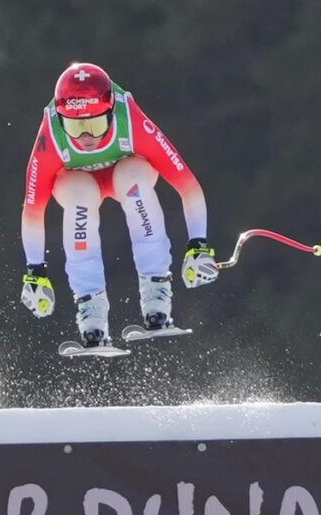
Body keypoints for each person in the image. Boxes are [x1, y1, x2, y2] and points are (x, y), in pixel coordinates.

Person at [18, 62, 219, 348]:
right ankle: (91, 316)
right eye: (75, 126)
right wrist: (35, 273)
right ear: (61, 119)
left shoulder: (131, 120)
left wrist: (198, 244)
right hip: (76, 182)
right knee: (80, 201)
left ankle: (156, 295)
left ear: (111, 112)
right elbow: (33, 210)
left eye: (95, 124)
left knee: (134, 180)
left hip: (126, 173)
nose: (85, 137)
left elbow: (188, 185)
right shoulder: (51, 134)